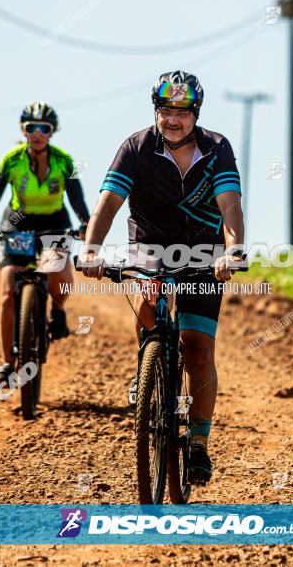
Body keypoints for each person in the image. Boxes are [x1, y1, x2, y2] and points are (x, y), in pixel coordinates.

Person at [78, 71, 245, 484]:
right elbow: (108, 203)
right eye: (165, 110)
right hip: (149, 247)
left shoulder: (217, 148)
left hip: (204, 253)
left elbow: (230, 206)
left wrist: (234, 250)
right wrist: (91, 249)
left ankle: (199, 443)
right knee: (149, 305)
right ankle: (149, 365)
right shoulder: (136, 147)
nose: (173, 120)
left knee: (199, 349)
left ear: (195, 114)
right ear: (156, 111)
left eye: (182, 113)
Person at [0, 102, 90, 387]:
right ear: (23, 130)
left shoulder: (63, 161)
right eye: (31, 128)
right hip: (18, 223)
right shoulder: (11, 160)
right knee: (8, 290)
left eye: (43, 128)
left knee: (60, 278)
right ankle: (6, 363)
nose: (37, 133)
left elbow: (77, 198)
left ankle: (57, 311)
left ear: (52, 132)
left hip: (54, 222)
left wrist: (86, 223)